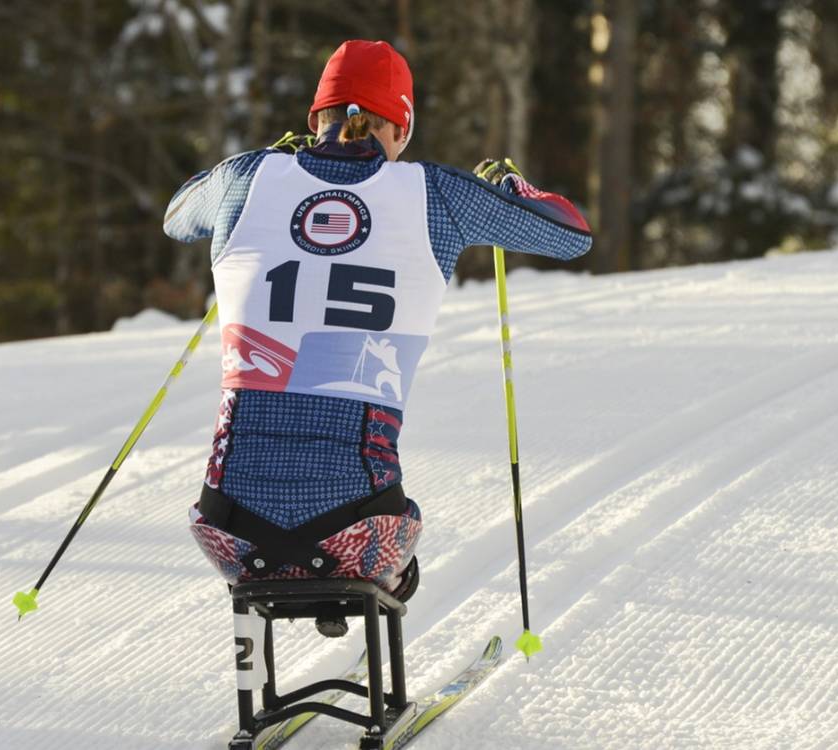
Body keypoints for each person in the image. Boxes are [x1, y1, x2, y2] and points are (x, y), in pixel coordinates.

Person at [163, 40, 590, 633]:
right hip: (357, 532)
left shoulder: (248, 177)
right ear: (401, 127)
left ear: (316, 118)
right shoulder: (435, 194)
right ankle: (379, 595)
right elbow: (573, 235)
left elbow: (178, 212)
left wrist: (273, 160)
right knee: (389, 533)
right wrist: (511, 190)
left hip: (226, 530)